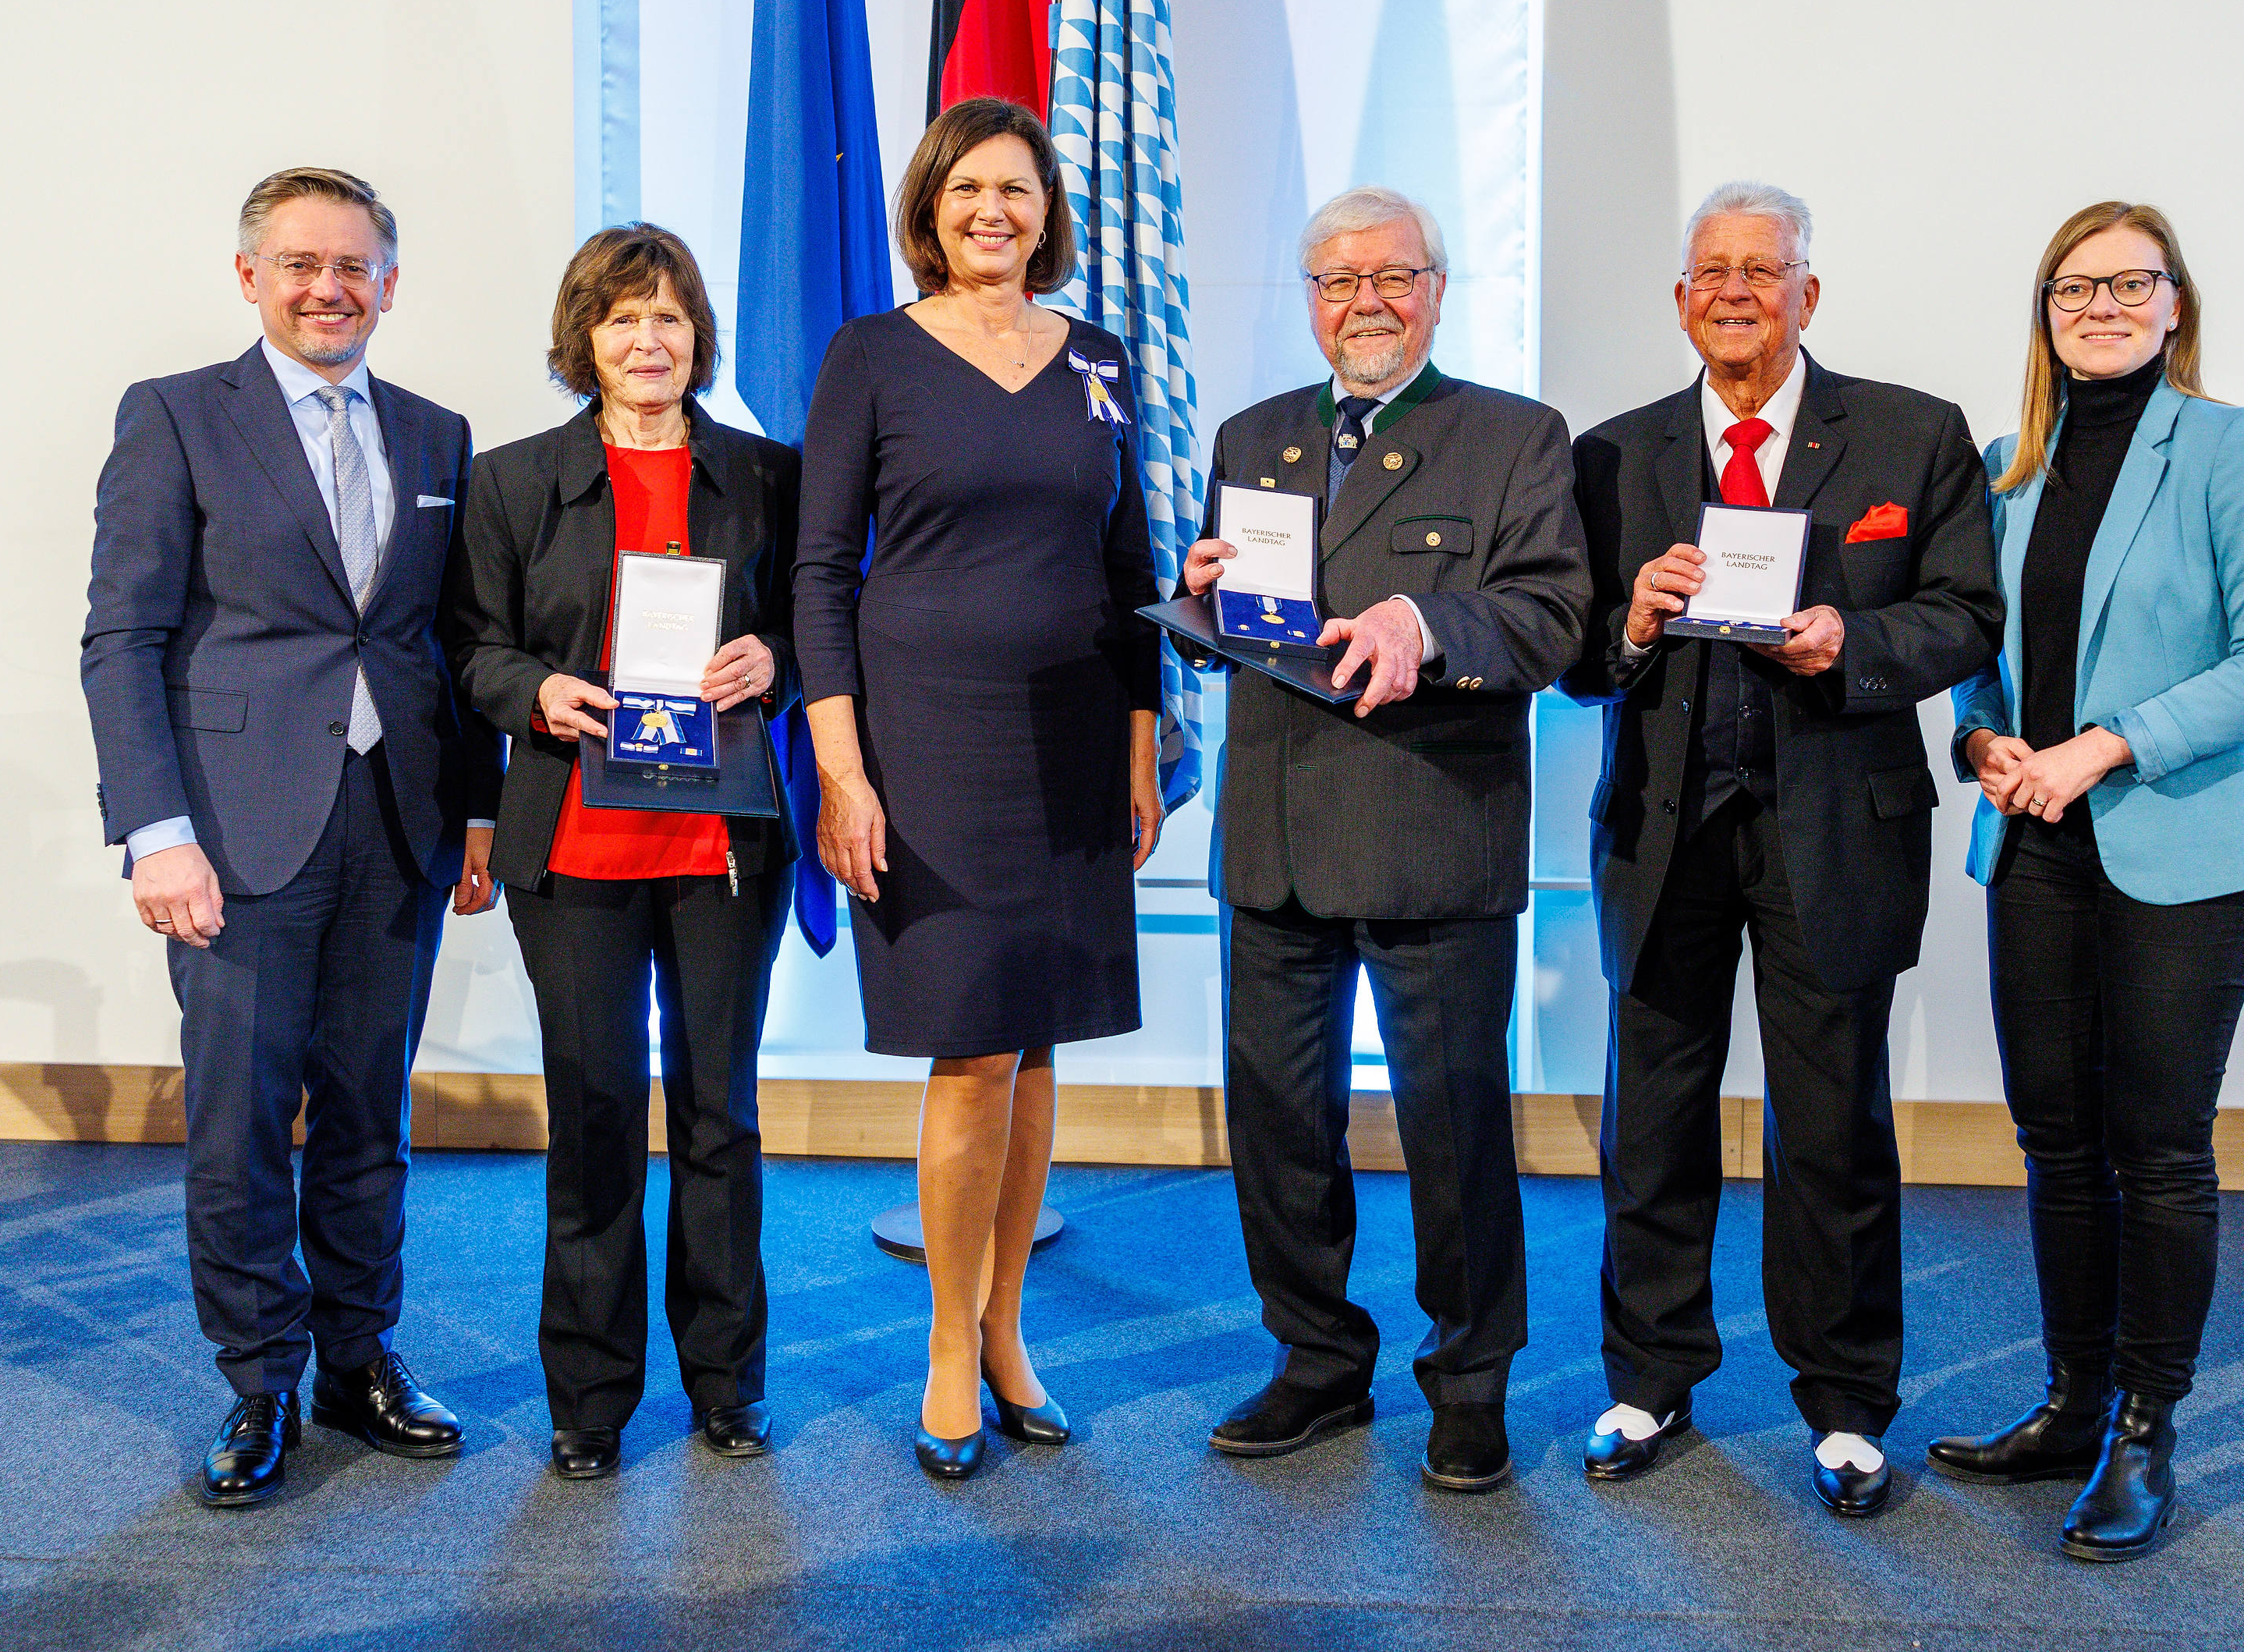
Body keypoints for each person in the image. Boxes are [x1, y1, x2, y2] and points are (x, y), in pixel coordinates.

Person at [1559, 181, 2001, 1515]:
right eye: (1714, 271)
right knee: (1653, 1119)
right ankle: (1650, 1378)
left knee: (1833, 1128)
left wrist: (1852, 641)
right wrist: (1632, 625)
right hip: (1665, 830)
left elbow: (1968, 615)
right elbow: (1572, 656)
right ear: (1681, 299)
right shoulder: (1611, 456)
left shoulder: (1913, 436)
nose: (1738, 292)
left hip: (1838, 831)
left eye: (1765, 270)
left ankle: (1849, 1402)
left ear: (1810, 293)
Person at [81, 166, 502, 1508]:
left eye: (353, 266)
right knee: (243, 1121)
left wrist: (479, 806)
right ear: (250, 276)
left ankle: (357, 1360)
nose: (329, 289)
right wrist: (156, 832)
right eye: (302, 264)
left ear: (390, 282)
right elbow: (122, 639)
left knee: (372, 1112)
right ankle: (259, 1380)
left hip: (399, 824)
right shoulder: (174, 416)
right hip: (233, 829)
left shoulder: (438, 436)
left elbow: (451, 641)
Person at [1179, 185, 1589, 1494]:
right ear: (1310, 301)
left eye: (1392, 277)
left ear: (1437, 291)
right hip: (1278, 837)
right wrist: (1202, 596)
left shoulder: (1515, 437)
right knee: (1279, 1126)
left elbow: (1554, 617)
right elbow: (1258, 622)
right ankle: (1315, 1360)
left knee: (1452, 1131)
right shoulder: (1253, 436)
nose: (1366, 303)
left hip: (1433, 831)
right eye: (1338, 282)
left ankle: (1470, 1382)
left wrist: (1427, 624)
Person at [1927, 203, 2244, 1562]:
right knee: (2055, 1138)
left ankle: (2147, 1430)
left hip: (2190, 852)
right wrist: (1981, 740)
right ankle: (2074, 1403)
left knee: (2156, 1144)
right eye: (2073, 287)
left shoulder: (2232, 446)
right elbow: (1983, 651)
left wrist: (2107, 745)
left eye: (2129, 283)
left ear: (2174, 302)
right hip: (2034, 845)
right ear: (2045, 313)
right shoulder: (2008, 465)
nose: (2101, 306)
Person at [796, 97, 1164, 1481]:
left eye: (1015, 188)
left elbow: (1133, 565)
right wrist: (842, 770)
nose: (991, 211)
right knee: (972, 1047)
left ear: (1046, 210)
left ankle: (1011, 1331)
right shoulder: (871, 355)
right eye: (965, 190)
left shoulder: (1101, 360)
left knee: (1041, 1040)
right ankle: (950, 1345)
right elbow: (819, 574)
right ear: (930, 211)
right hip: (927, 743)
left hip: (1077, 740)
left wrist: (1142, 741)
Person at [445, 224, 799, 1482]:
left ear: (698, 337)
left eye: (669, 318)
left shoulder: (766, 475)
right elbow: (468, 648)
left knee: (719, 1117)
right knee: (593, 1121)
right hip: (576, 849)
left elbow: (822, 616)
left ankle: (726, 1384)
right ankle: (590, 1399)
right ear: (583, 340)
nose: (648, 341)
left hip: (721, 846)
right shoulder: (511, 482)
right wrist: (536, 692)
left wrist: (776, 658)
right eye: (621, 318)